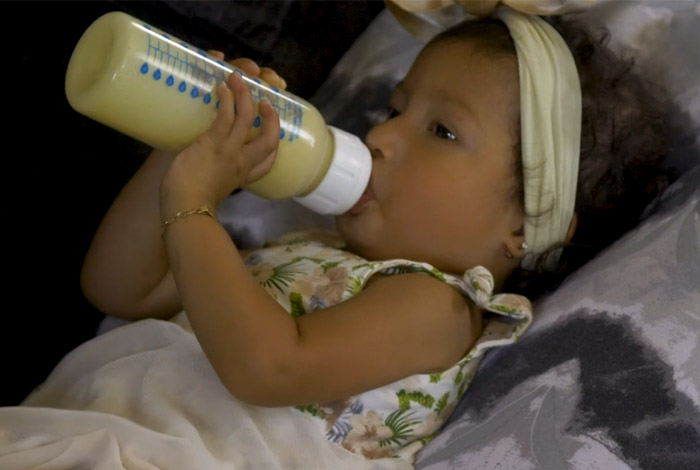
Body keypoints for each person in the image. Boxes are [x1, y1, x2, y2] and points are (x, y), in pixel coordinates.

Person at [3, 7, 671, 466]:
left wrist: (194, 204)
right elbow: (120, 285)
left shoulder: (438, 307)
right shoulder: (300, 253)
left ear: (523, 226)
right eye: (395, 109)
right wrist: (182, 156)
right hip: (83, 432)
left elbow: (270, 367)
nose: (379, 136)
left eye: (440, 131)